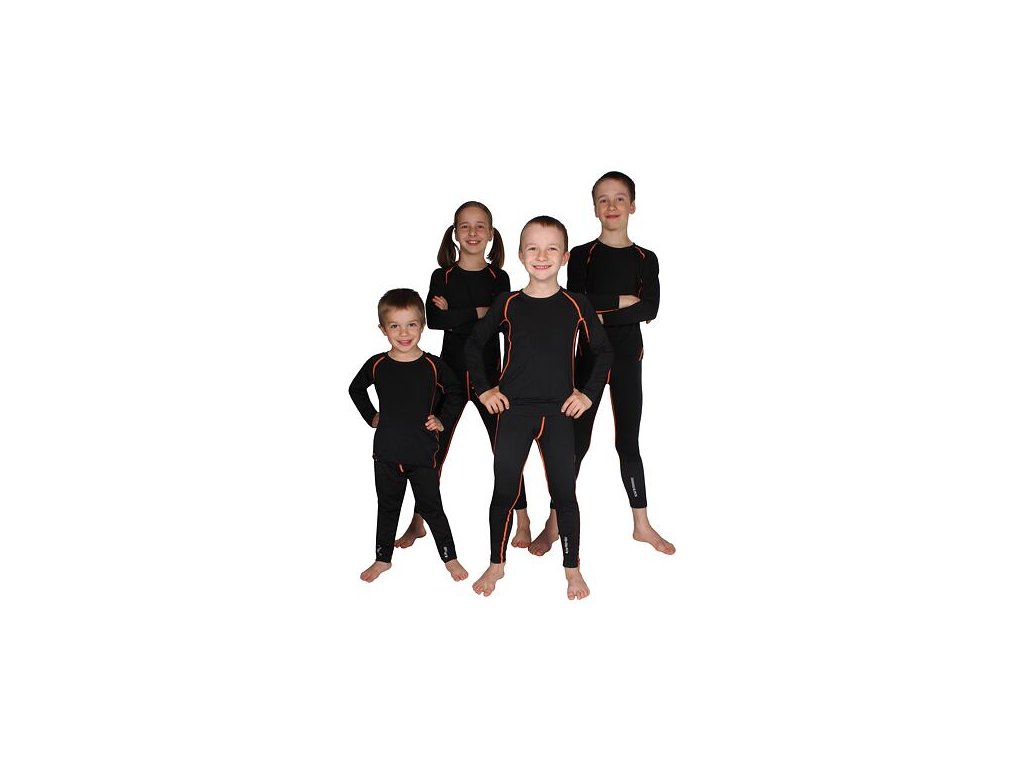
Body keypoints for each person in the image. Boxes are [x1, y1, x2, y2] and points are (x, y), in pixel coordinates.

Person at [466, 216, 613, 599]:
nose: (541, 256)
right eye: (533, 248)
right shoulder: (508, 303)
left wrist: (587, 394)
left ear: (564, 257)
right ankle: (496, 564)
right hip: (513, 412)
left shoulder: (576, 304)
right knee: (504, 491)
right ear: (520, 254)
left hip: (559, 414)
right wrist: (484, 390)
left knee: (565, 494)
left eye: (551, 249)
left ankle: (572, 570)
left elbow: (603, 351)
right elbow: (473, 345)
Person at [530, 172, 675, 556]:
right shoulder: (581, 255)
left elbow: (651, 309)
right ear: (594, 208)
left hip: (627, 359)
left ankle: (641, 525)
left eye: (619, 198)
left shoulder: (646, 259)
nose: (612, 206)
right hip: (588, 360)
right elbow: (578, 303)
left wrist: (603, 310)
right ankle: (552, 525)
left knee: (628, 442)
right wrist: (623, 302)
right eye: (603, 200)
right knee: (575, 445)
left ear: (632, 206)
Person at [394, 202, 533, 550]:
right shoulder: (441, 276)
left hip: (492, 378)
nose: (472, 233)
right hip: (450, 377)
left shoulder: (499, 278)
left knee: (506, 450)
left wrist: (458, 313)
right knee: (433, 450)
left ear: (491, 234)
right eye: (465, 226)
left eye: (480, 226)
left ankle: (523, 519)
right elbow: (434, 321)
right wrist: (481, 311)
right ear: (455, 233)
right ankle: (418, 521)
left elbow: (501, 323)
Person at [348, 288, 469, 583]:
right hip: (386, 453)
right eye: (395, 326)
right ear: (383, 329)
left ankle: (450, 558)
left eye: (411, 324)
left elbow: (457, 392)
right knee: (388, 508)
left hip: (421, 453)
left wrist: (442, 420)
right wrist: (371, 416)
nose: (404, 333)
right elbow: (355, 389)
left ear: (422, 325)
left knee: (433, 508)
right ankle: (382, 559)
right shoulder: (377, 364)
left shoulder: (433, 365)